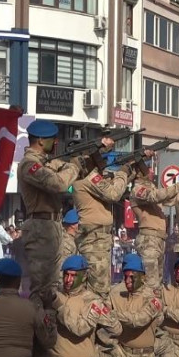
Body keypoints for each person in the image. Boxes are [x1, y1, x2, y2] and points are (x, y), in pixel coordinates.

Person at [19, 120, 114, 305]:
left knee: (54, 284)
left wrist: (97, 152)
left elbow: (74, 169)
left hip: (51, 226)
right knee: (42, 286)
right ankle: (38, 327)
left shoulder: (46, 162)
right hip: (40, 227)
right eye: (51, 139)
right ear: (40, 141)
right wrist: (76, 163)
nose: (55, 143)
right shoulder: (29, 164)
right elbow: (59, 183)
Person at [105, 253, 162, 357]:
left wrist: (114, 314)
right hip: (122, 350)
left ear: (142, 277)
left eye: (132, 276)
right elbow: (103, 313)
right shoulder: (117, 296)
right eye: (125, 276)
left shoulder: (153, 299)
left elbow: (138, 321)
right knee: (109, 354)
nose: (128, 280)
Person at [71, 157, 137, 297]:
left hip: (99, 239)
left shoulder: (92, 181)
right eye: (102, 158)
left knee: (101, 285)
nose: (105, 162)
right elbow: (113, 193)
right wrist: (123, 172)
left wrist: (129, 173)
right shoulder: (88, 177)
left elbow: (113, 187)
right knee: (99, 289)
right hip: (95, 239)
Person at [129, 161, 179, 294]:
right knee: (150, 284)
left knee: (157, 282)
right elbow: (156, 196)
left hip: (158, 239)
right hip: (149, 240)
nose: (152, 171)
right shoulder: (137, 190)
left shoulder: (151, 188)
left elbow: (170, 199)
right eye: (148, 169)